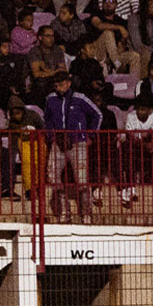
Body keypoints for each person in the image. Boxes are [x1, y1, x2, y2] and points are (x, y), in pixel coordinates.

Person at [42, 71, 103, 222]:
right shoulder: (50, 99)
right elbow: (47, 119)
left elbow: (98, 115)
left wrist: (91, 135)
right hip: (58, 143)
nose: (58, 88)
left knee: (82, 180)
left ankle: (86, 213)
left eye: (61, 84)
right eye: (56, 85)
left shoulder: (79, 98)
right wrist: (51, 136)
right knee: (52, 175)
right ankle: (64, 212)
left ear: (68, 83)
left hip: (78, 142)